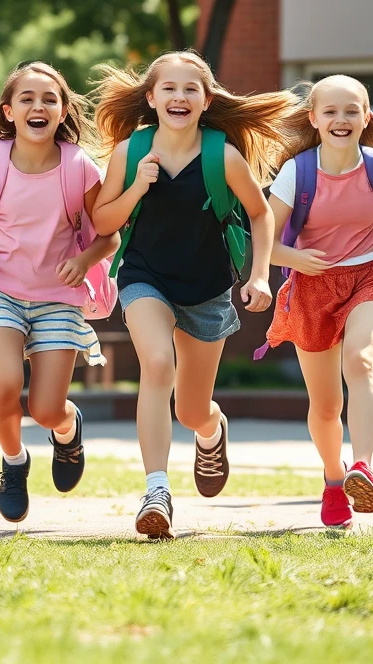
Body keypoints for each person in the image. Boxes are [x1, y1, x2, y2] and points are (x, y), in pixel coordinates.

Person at [91, 51, 295, 539]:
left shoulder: (222, 155)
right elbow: (101, 222)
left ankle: (211, 430)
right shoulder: (130, 152)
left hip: (206, 288)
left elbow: (261, 215)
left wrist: (261, 274)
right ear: (151, 98)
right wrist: (137, 187)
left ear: (206, 101)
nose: (179, 97)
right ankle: (156, 490)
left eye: (190, 89)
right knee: (157, 364)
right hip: (146, 277)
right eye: (169, 88)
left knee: (190, 409)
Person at [0, 61, 118, 523]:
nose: (38, 106)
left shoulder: (79, 167)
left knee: (45, 409)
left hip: (58, 294)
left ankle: (67, 430)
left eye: (49, 99)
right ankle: (14, 462)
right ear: (9, 111)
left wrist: (83, 261)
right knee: (4, 387)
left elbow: (108, 235)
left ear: (63, 112)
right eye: (26, 98)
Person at [265, 75, 373, 528]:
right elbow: (260, 239)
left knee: (359, 360)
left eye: (352, 110)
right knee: (323, 406)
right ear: (314, 118)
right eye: (332, 111)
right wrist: (294, 256)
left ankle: (363, 466)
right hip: (312, 285)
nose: (342, 119)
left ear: (366, 116)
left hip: (372, 276)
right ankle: (335, 479)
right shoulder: (296, 172)